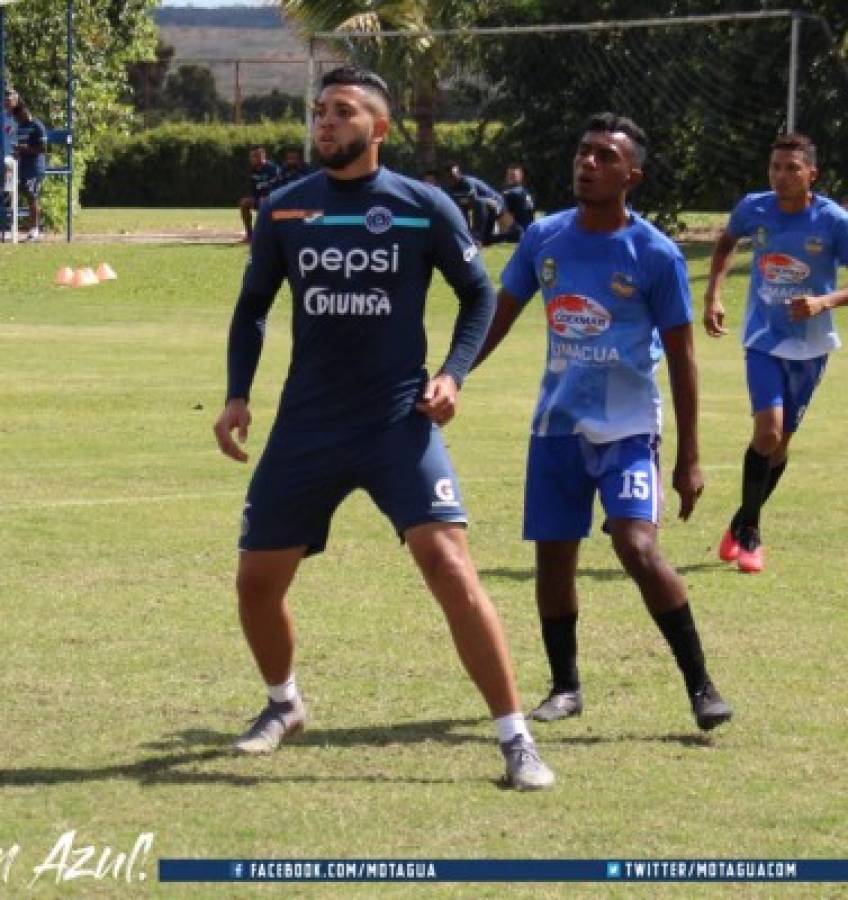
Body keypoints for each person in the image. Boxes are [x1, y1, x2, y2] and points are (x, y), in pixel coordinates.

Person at [213, 66, 554, 791]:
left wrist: (454, 373)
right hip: (306, 424)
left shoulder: (421, 207)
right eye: (319, 112)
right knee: (255, 583)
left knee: (452, 569)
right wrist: (238, 394)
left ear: (380, 128)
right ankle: (283, 705)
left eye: (342, 112)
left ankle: (516, 739)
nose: (325, 123)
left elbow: (478, 294)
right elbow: (251, 307)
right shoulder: (284, 209)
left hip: (399, 420)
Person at [473, 112, 733, 731]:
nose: (587, 164)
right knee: (554, 559)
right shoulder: (544, 239)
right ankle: (565, 687)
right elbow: (500, 317)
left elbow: (682, 357)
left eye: (605, 157)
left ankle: (702, 686)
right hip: (557, 427)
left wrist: (690, 456)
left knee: (636, 546)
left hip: (628, 429)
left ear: (631, 175)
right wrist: (450, 374)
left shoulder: (655, 255)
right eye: (584, 152)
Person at [704, 133, 848, 573]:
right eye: (775, 169)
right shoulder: (754, 208)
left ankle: (739, 523)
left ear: (811, 174)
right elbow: (726, 242)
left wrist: (825, 302)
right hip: (764, 337)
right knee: (768, 432)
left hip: (811, 346)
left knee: (781, 446)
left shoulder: (834, 221)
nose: (781, 177)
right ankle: (751, 534)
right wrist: (713, 295)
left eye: (791, 168)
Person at [5, 90, 46, 241]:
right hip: (21, 167)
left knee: (32, 196)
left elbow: (43, 149)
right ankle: (19, 228)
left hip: (35, 168)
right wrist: (16, 153)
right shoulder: (20, 127)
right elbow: (19, 146)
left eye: (18, 115)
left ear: (24, 111)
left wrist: (24, 150)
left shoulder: (36, 126)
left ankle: (34, 230)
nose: (17, 118)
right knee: (21, 195)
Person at [444, 164, 513, 246]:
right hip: (487, 210)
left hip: (496, 204)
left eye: (454, 175)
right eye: (449, 177)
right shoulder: (451, 188)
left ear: (459, 174)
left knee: (477, 202)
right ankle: (509, 236)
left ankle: (476, 238)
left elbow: (473, 199)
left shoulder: (467, 182)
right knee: (486, 240)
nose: (452, 179)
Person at [238, 145, 281, 242]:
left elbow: (278, 187)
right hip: (260, 199)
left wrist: (267, 197)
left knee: (264, 203)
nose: (252, 159)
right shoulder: (252, 170)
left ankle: (268, 235)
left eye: (255, 156)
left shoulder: (273, 169)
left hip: (274, 200)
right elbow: (253, 189)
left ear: (262, 156)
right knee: (244, 203)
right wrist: (255, 198)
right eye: (251, 156)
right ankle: (250, 235)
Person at [490, 163, 536, 244]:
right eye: (509, 175)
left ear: (521, 176)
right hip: (531, 232)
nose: (509, 178)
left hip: (517, 233)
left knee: (494, 208)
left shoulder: (509, 193)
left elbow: (499, 212)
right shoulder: (526, 192)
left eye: (512, 176)